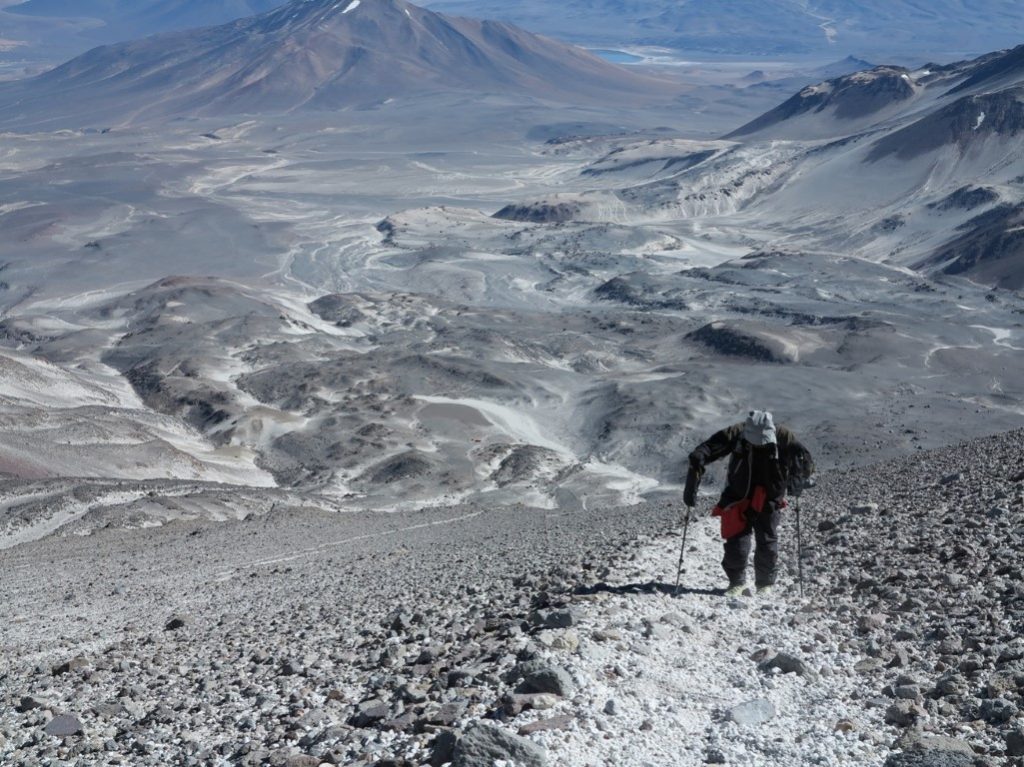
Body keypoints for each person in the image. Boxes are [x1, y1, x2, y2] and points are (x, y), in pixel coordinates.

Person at [683, 410, 813, 597]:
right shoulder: (736, 433)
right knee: (736, 541)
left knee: (767, 541)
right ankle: (737, 583)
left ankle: (764, 584)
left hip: (769, 497)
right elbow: (710, 448)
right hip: (738, 496)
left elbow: (804, 460)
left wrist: (798, 477)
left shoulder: (783, 436)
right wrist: (699, 458)